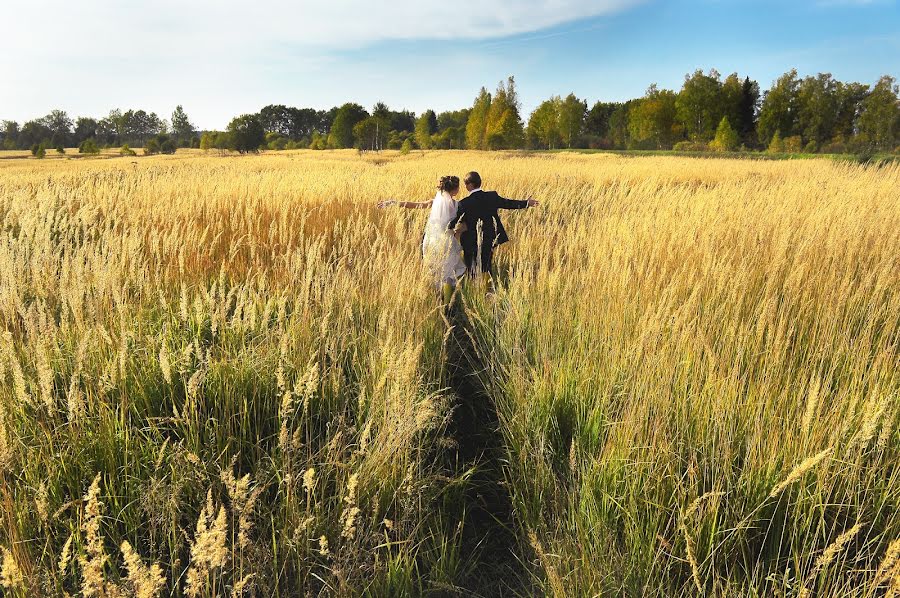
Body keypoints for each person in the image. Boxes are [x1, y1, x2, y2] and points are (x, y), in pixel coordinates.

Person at [378, 175, 467, 303]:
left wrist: (393, 202)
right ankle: (448, 303)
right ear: (455, 190)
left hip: (432, 241)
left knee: (436, 269)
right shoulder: (457, 205)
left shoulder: (435, 201)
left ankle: (438, 298)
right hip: (447, 241)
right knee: (449, 270)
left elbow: (414, 205)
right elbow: (461, 225)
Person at [447, 171, 539, 290]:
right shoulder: (492, 196)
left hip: (470, 242)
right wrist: (526, 203)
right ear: (479, 182)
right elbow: (508, 203)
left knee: (471, 267)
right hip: (489, 239)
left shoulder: (464, 203)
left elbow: (454, 222)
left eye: (465, 184)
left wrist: (447, 227)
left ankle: (474, 290)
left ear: (469, 185)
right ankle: (486, 290)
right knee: (486, 265)